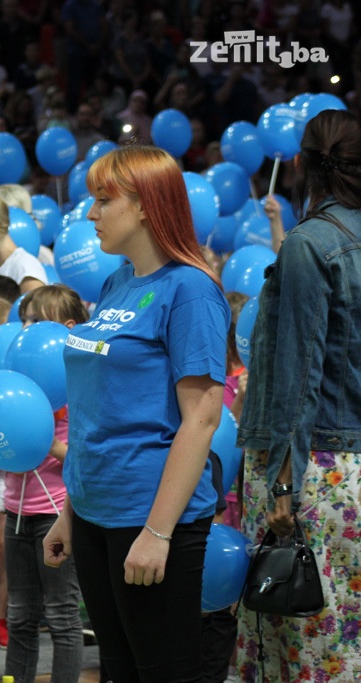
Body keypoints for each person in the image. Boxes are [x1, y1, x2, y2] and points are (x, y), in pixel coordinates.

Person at [43, 145, 229, 681]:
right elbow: (100, 406)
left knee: (164, 673)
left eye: (103, 200)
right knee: (119, 670)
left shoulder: (191, 289)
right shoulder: (116, 282)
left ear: (146, 205)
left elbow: (201, 420)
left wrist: (159, 532)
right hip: (96, 511)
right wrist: (71, 511)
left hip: (150, 517)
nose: (91, 214)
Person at [236, 110, 361, 683]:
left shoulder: (311, 245)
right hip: (348, 471)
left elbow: (298, 375)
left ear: (303, 165)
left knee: (304, 647)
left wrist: (284, 486)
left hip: (314, 472)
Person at [4, 285, 88, 683]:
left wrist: (47, 442)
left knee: (61, 615)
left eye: (36, 320)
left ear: (67, 328)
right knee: (19, 614)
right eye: (24, 320)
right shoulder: (19, 383)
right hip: (15, 513)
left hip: (57, 514)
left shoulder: (81, 390)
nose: (26, 329)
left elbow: (86, 458)